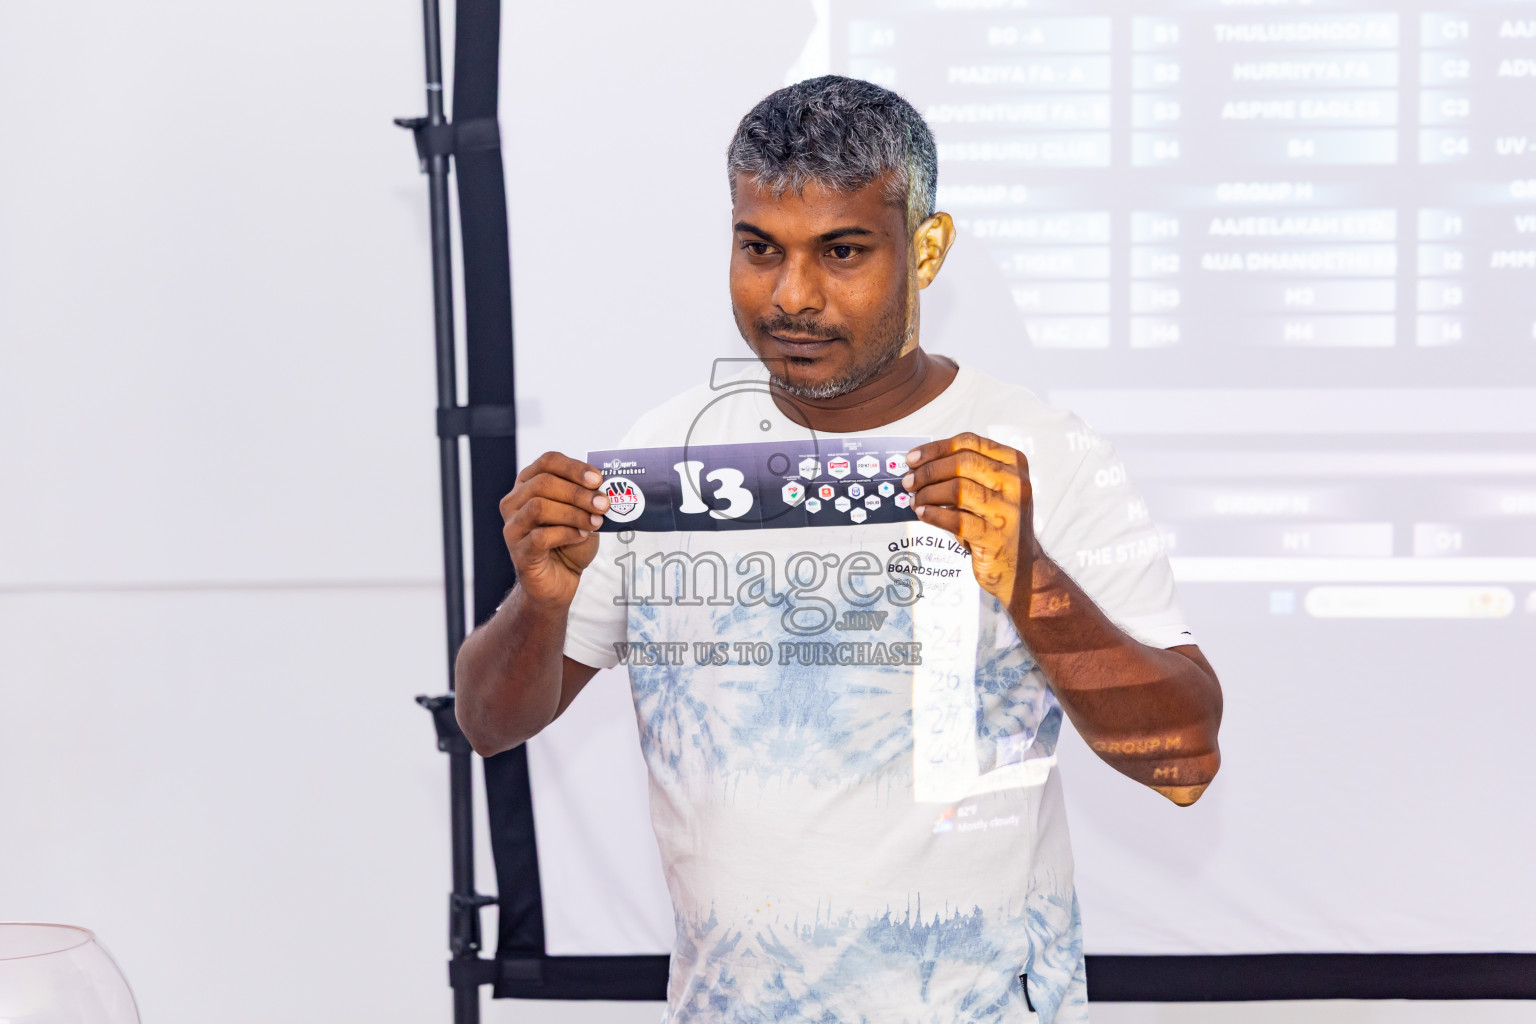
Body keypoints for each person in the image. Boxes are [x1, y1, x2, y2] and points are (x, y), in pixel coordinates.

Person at [454, 75, 1222, 1023]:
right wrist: (540, 600)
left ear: (926, 251)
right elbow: (489, 723)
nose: (792, 297)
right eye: (758, 250)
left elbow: (1183, 759)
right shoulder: (667, 456)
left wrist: (1028, 576)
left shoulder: (1043, 454)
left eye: (844, 251)